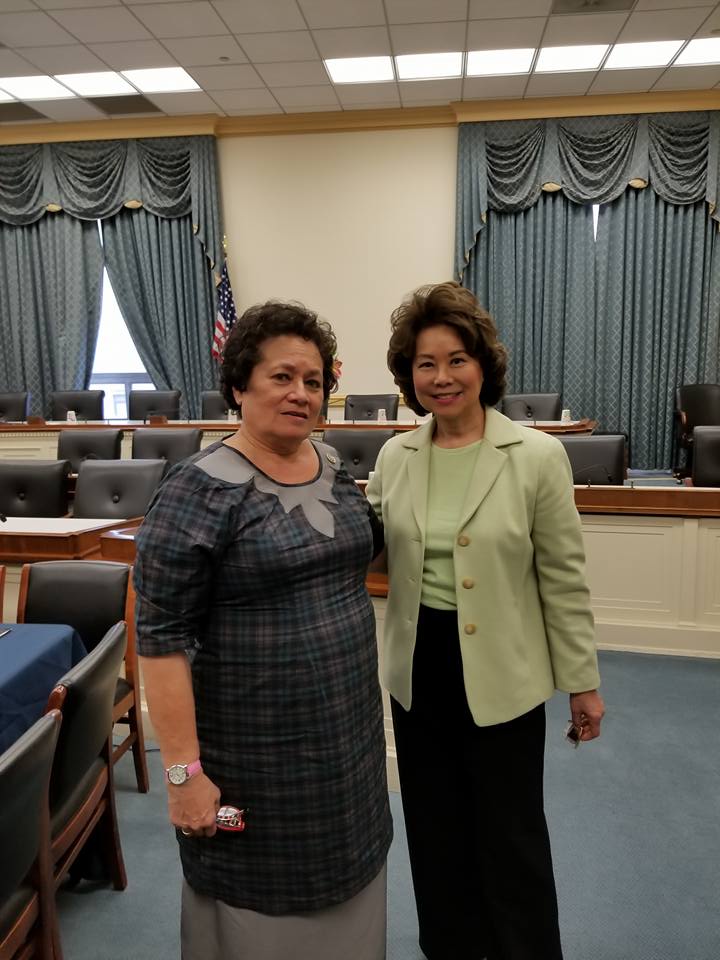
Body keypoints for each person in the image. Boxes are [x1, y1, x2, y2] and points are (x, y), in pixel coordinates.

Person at [134, 300, 392, 960]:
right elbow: (160, 642)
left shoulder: (333, 469)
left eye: (313, 381)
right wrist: (184, 775)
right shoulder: (196, 490)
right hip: (249, 763)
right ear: (239, 385)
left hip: (347, 750)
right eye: (281, 377)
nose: (300, 393)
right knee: (252, 898)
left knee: (352, 889)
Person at [365, 281, 604, 960]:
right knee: (436, 833)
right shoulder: (396, 456)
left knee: (511, 835)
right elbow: (367, 543)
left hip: (504, 671)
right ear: (409, 377)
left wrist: (582, 681)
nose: (441, 377)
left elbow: (562, 579)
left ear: (484, 365)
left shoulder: (534, 456)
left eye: (456, 359)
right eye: (424, 364)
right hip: (419, 670)